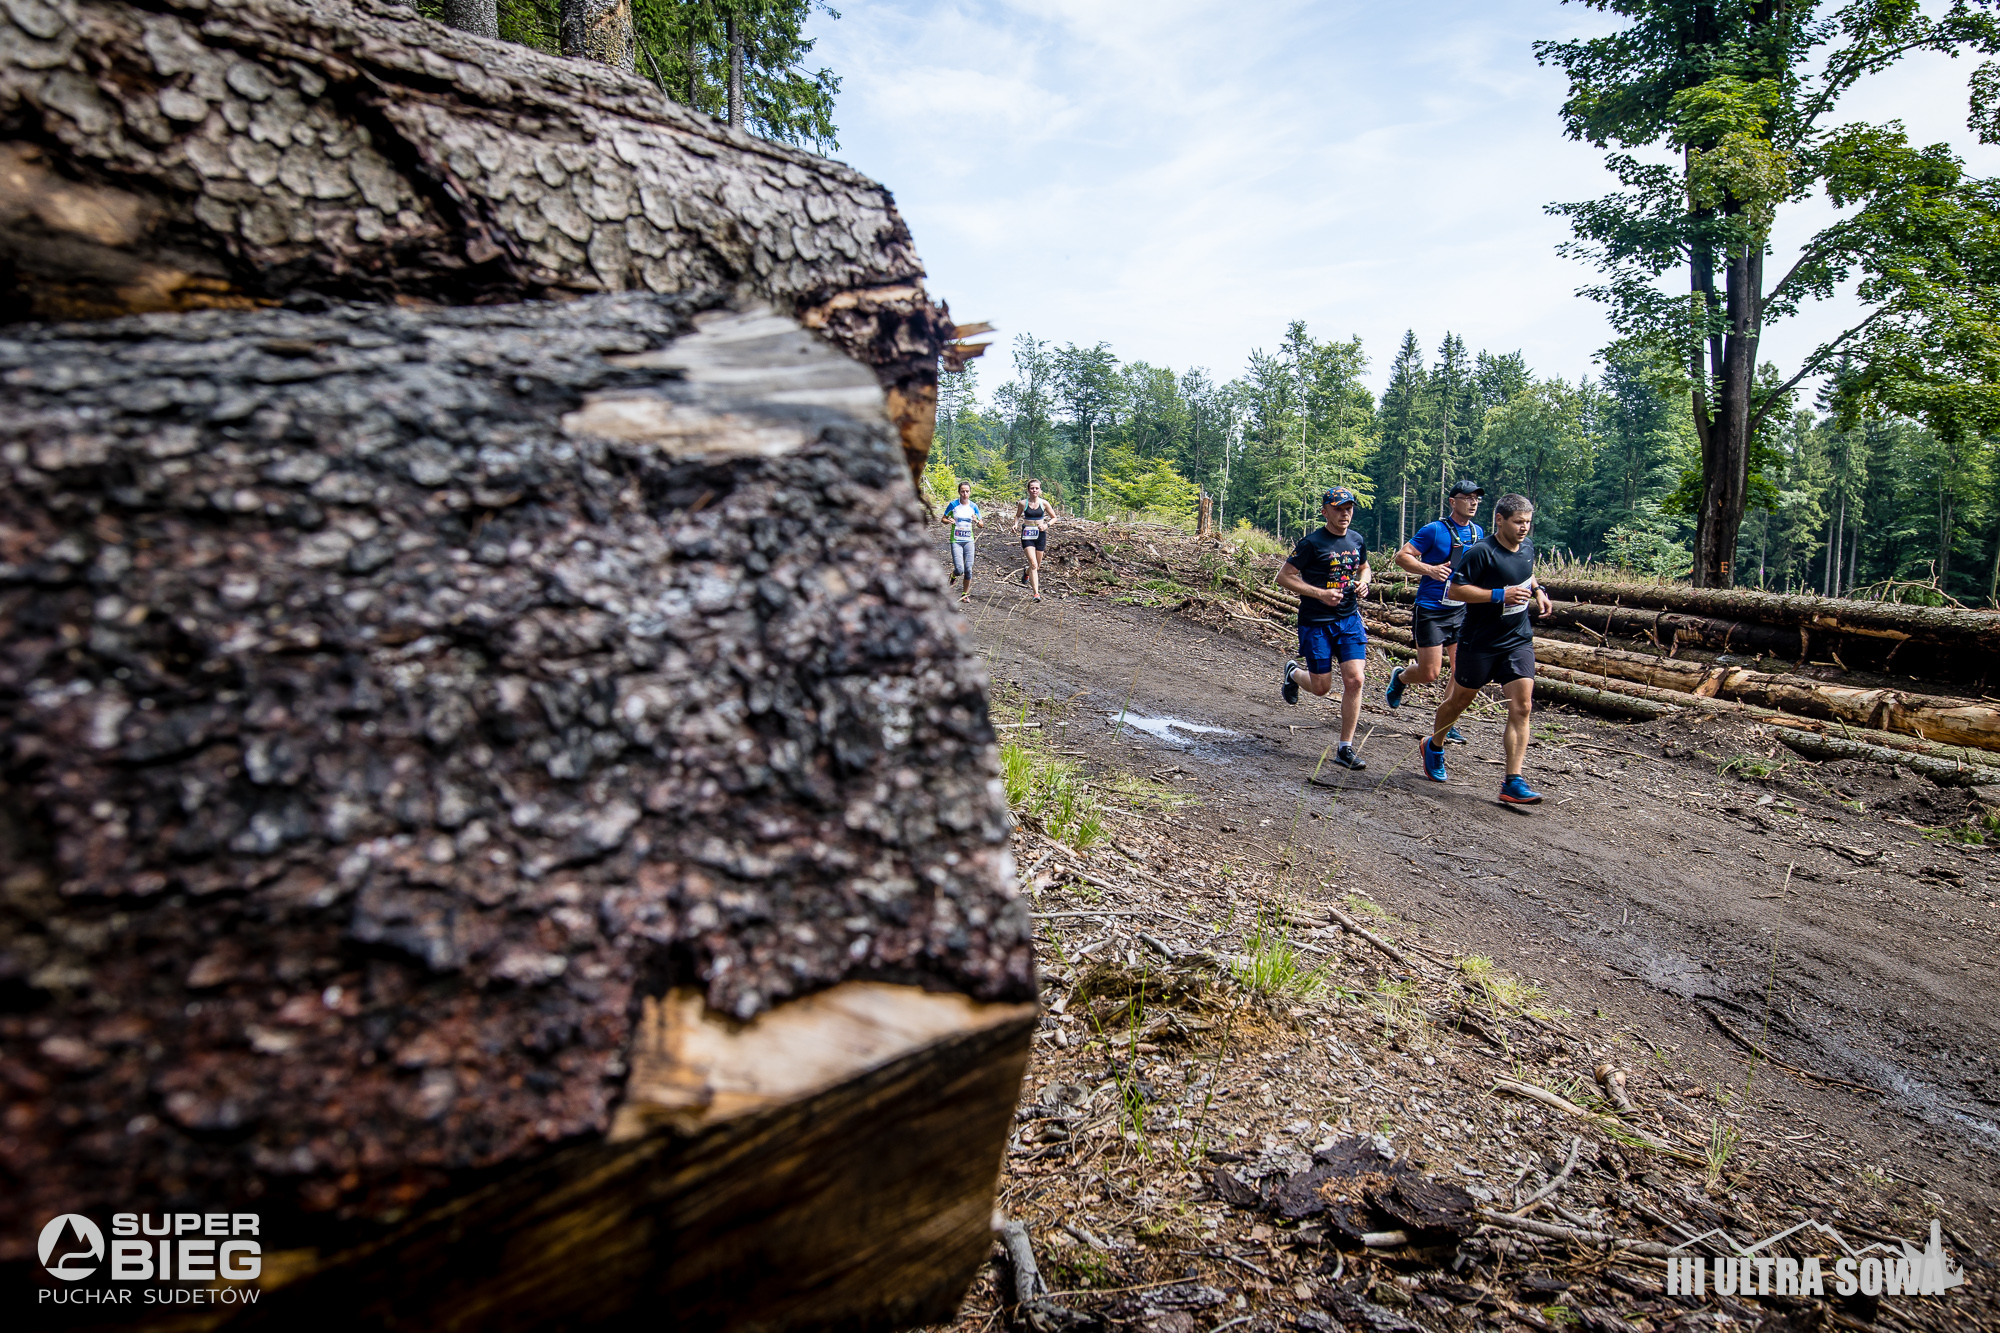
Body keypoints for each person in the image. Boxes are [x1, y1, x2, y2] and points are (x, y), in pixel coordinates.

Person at [1418, 493, 1553, 804]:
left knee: (1522, 706)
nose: (1524, 528)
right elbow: (1455, 589)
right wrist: (1498, 595)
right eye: (1518, 522)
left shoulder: (1528, 547)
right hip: (1479, 641)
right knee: (1459, 701)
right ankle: (1434, 745)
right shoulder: (1481, 552)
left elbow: (1526, 574)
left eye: (1528, 523)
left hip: (1517, 639)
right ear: (1500, 520)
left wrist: (1539, 591)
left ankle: (1512, 781)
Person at [1278, 487, 1372, 770]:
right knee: (1322, 687)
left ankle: (1345, 748)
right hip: (1317, 622)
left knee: (1355, 680)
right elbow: (1284, 577)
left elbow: (1364, 567)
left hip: (1349, 619)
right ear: (1325, 511)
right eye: (1338, 508)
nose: (1345, 514)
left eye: (1349, 509)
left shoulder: (1356, 540)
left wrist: (1364, 581)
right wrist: (1319, 593)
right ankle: (1293, 673)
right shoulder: (1311, 543)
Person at [1385, 479, 1484, 745]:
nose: (1473, 502)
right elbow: (1402, 556)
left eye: (1477, 498)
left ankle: (1447, 722)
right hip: (1431, 610)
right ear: (1453, 502)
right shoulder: (1434, 530)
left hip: (1461, 611)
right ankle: (1401, 677)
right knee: (1430, 673)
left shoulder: (1478, 533)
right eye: (1467, 497)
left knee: (1460, 669)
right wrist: (1430, 569)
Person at [941, 480, 984, 602]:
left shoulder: (973, 506)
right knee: (959, 569)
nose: (965, 494)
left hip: (969, 541)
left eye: (967, 491)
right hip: (956, 540)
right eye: (962, 491)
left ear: (970, 492)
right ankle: (953, 575)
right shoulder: (953, 505)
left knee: (968, 569)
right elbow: (943, 519)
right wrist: (948, 521)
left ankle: (965, 594)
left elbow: (981, 524)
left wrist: (976, 521)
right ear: (959, 492)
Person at [1015, 479, 1056, 602]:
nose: (1034, 490)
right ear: (1028, 490)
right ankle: (1036, 594)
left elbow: (1054, 517)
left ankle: (1026, 572)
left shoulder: (1044, 503)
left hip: (1040, 535)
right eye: (1032, 488)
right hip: (1027, 536)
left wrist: (1046, 525)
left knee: (1036, 566)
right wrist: (1015, 525)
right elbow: (1017, 515)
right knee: (1033, 563)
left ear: (1040, 490)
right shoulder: (1023, 503)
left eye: (1037, 488)